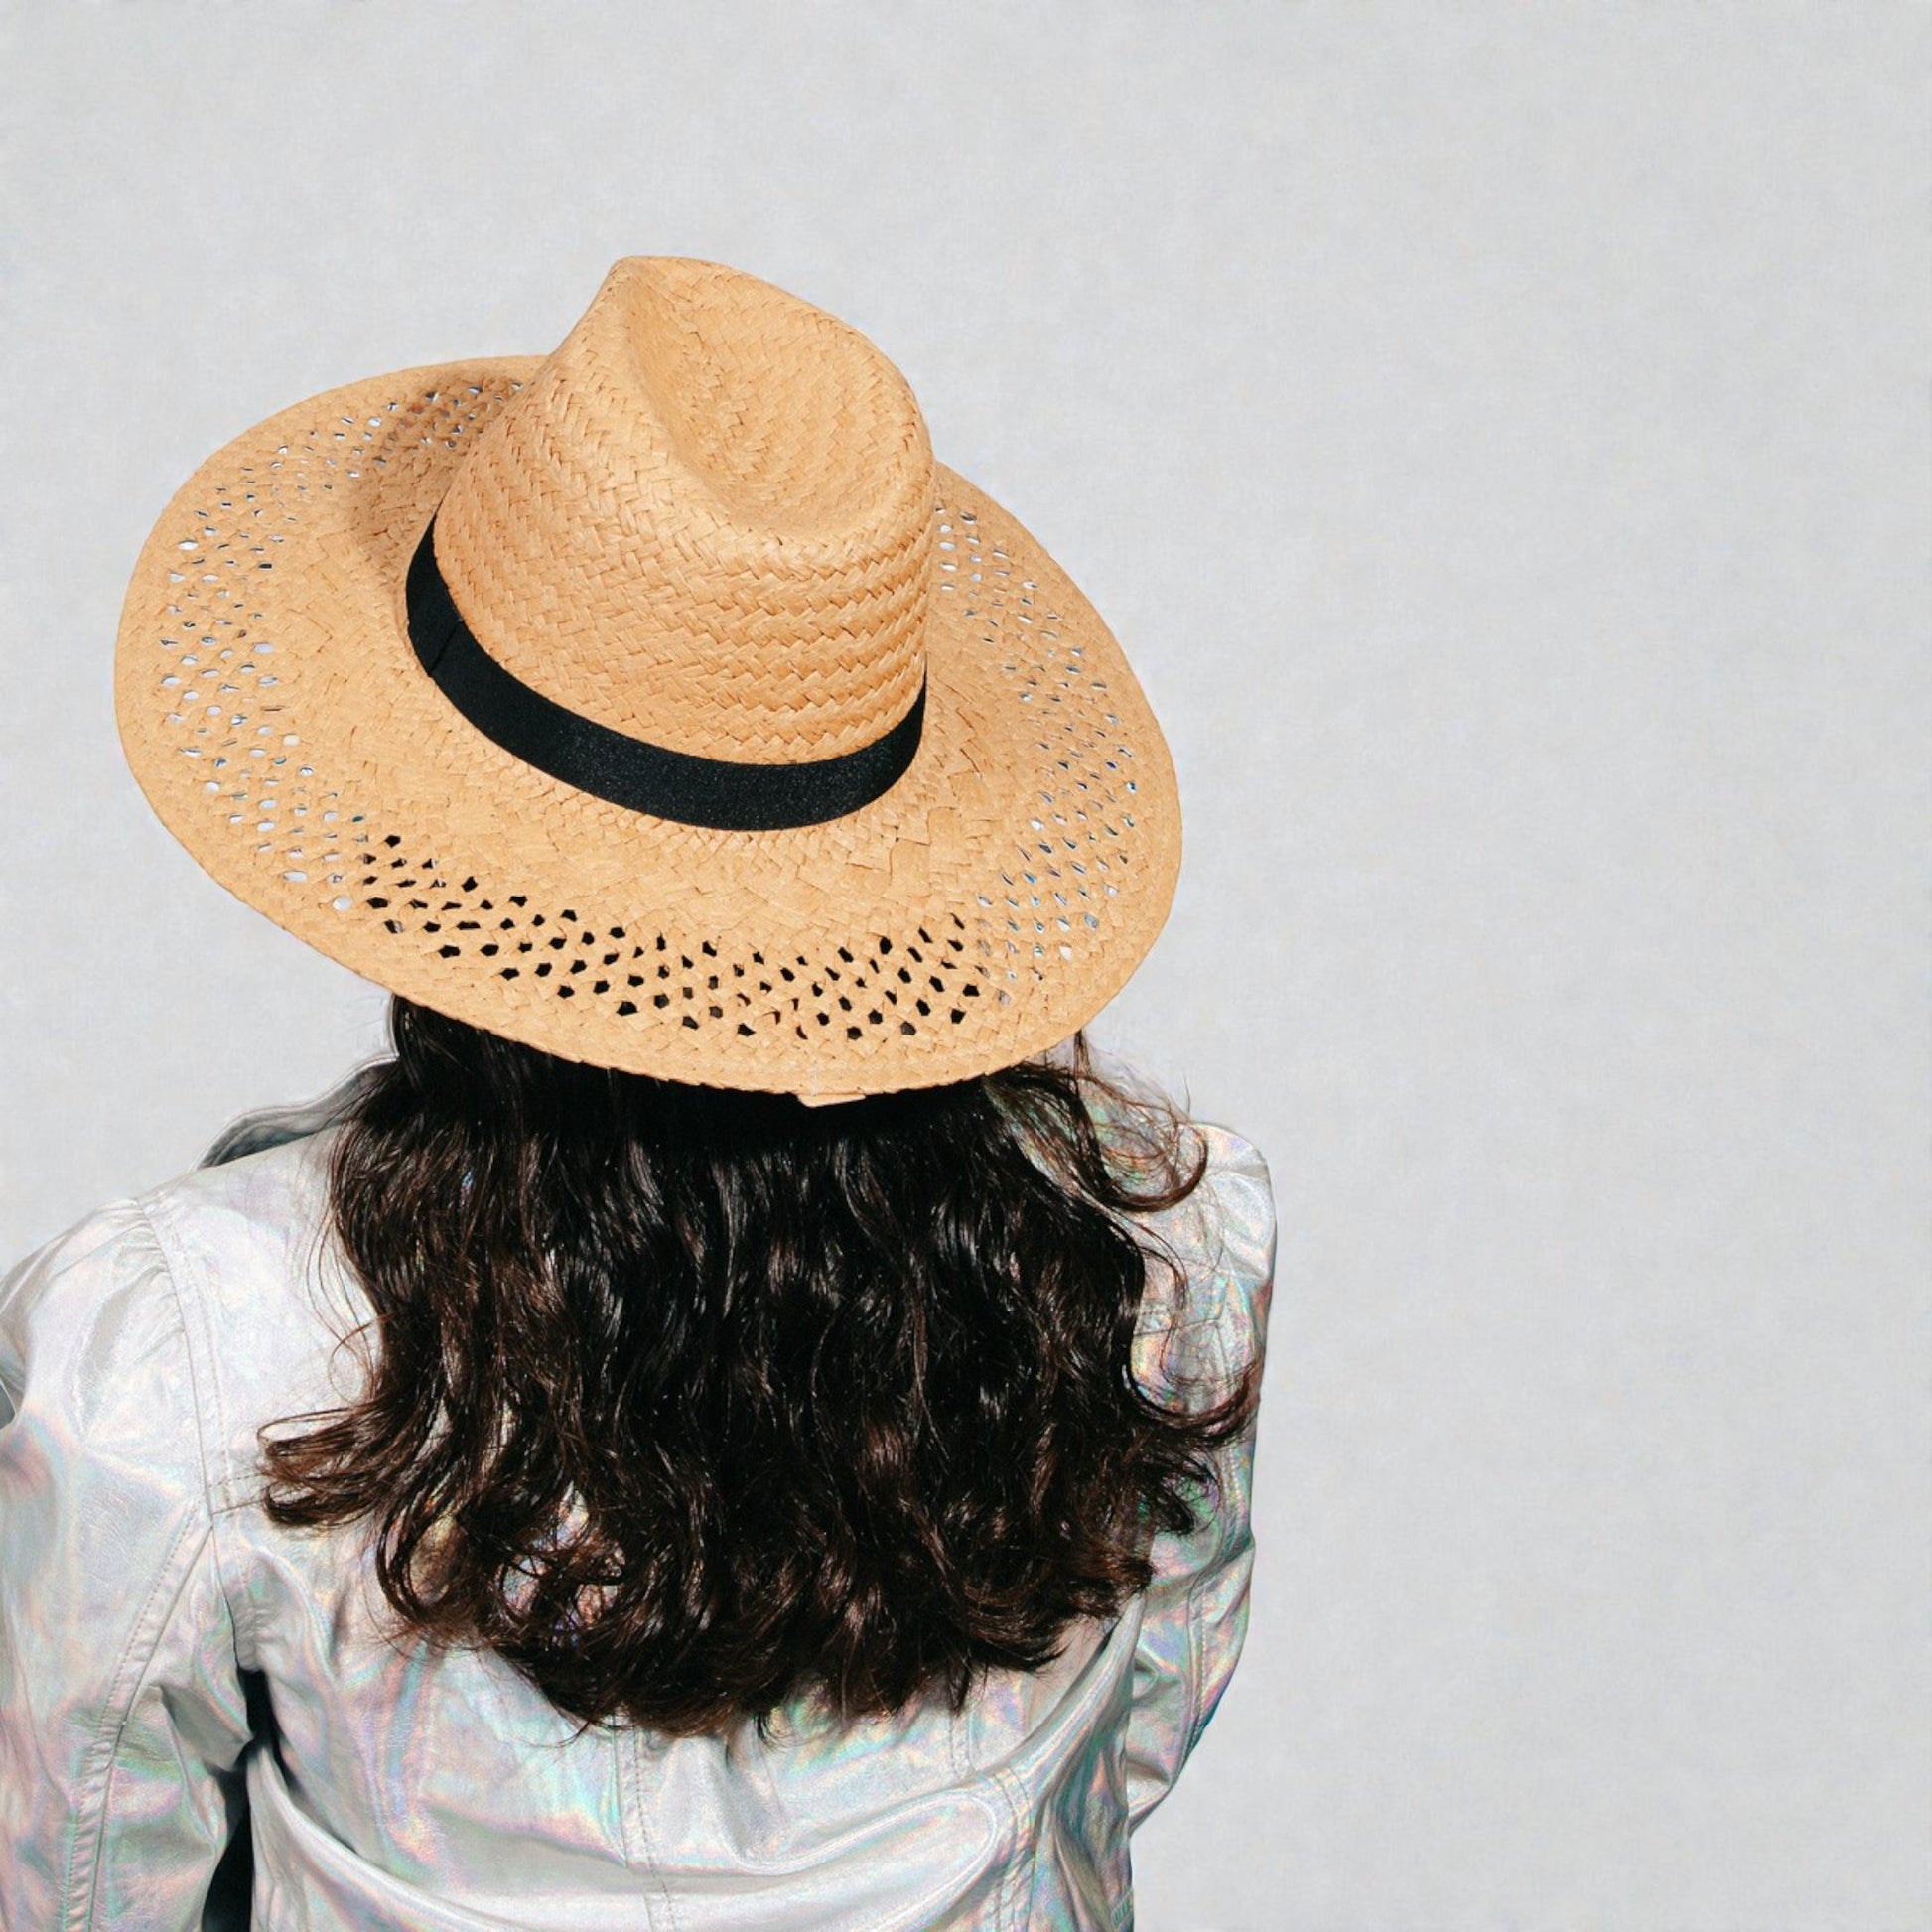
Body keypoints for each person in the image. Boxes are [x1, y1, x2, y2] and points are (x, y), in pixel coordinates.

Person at [0, 258, 1275, 1931]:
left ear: (420, 830)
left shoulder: (178, 1343)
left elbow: (79, 1873)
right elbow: (1120, 1760)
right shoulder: (1160, 1245)